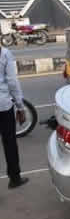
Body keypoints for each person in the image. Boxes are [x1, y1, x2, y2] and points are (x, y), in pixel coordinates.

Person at [0, 47, 28, 189]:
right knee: (9, 143)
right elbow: (12, 82)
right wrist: (20, 106)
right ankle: (14, 178)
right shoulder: (4, 53)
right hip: (3, 106)